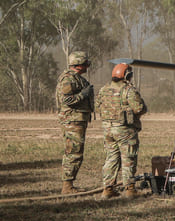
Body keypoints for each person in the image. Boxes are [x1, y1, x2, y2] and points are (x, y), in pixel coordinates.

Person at [94, 63, 148, 199]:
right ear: (127, 76)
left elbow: (97, 108)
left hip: (108, 130)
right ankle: (130, 189)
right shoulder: (128, 90)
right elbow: (139, 108)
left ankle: (107, 189)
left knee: (111, 158)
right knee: (128, 158)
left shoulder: (104, 89)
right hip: (125, 130)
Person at [56, 51, 94, 194]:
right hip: (72, 121)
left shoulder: (76, 78)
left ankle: (69, 184)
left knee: (75, 152)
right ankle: (67, 186)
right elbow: (67, 100)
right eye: (85, 64)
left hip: (77, 120)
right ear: (78, 65)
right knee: (73, 153)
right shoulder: (68, 79)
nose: (87, 67)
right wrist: (83, 95)